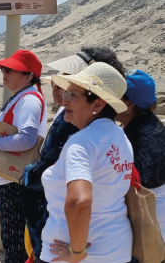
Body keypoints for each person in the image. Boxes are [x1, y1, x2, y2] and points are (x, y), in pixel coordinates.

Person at [21, 47, 126, 261]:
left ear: (97, 103)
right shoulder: (118, 135)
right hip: (114, 249)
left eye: (72, 94)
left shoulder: (81, 142)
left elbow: (80, 201)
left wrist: (76, 253)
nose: (64, 100)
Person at [0, 50, 47, 263]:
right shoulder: (21, 97)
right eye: (3, 69)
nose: (4, 72)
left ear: (28, 75)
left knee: (16, 244)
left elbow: (27, 139)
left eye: (10, 69)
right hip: (5, 180)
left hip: (10, 183)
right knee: (12, 241)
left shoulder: (29, 100)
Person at [116, 70, 165, 242]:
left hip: (149, 226)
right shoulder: (144, 125)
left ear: (129, 105)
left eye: (115, 97)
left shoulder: (144, 139)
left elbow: (136, 185)